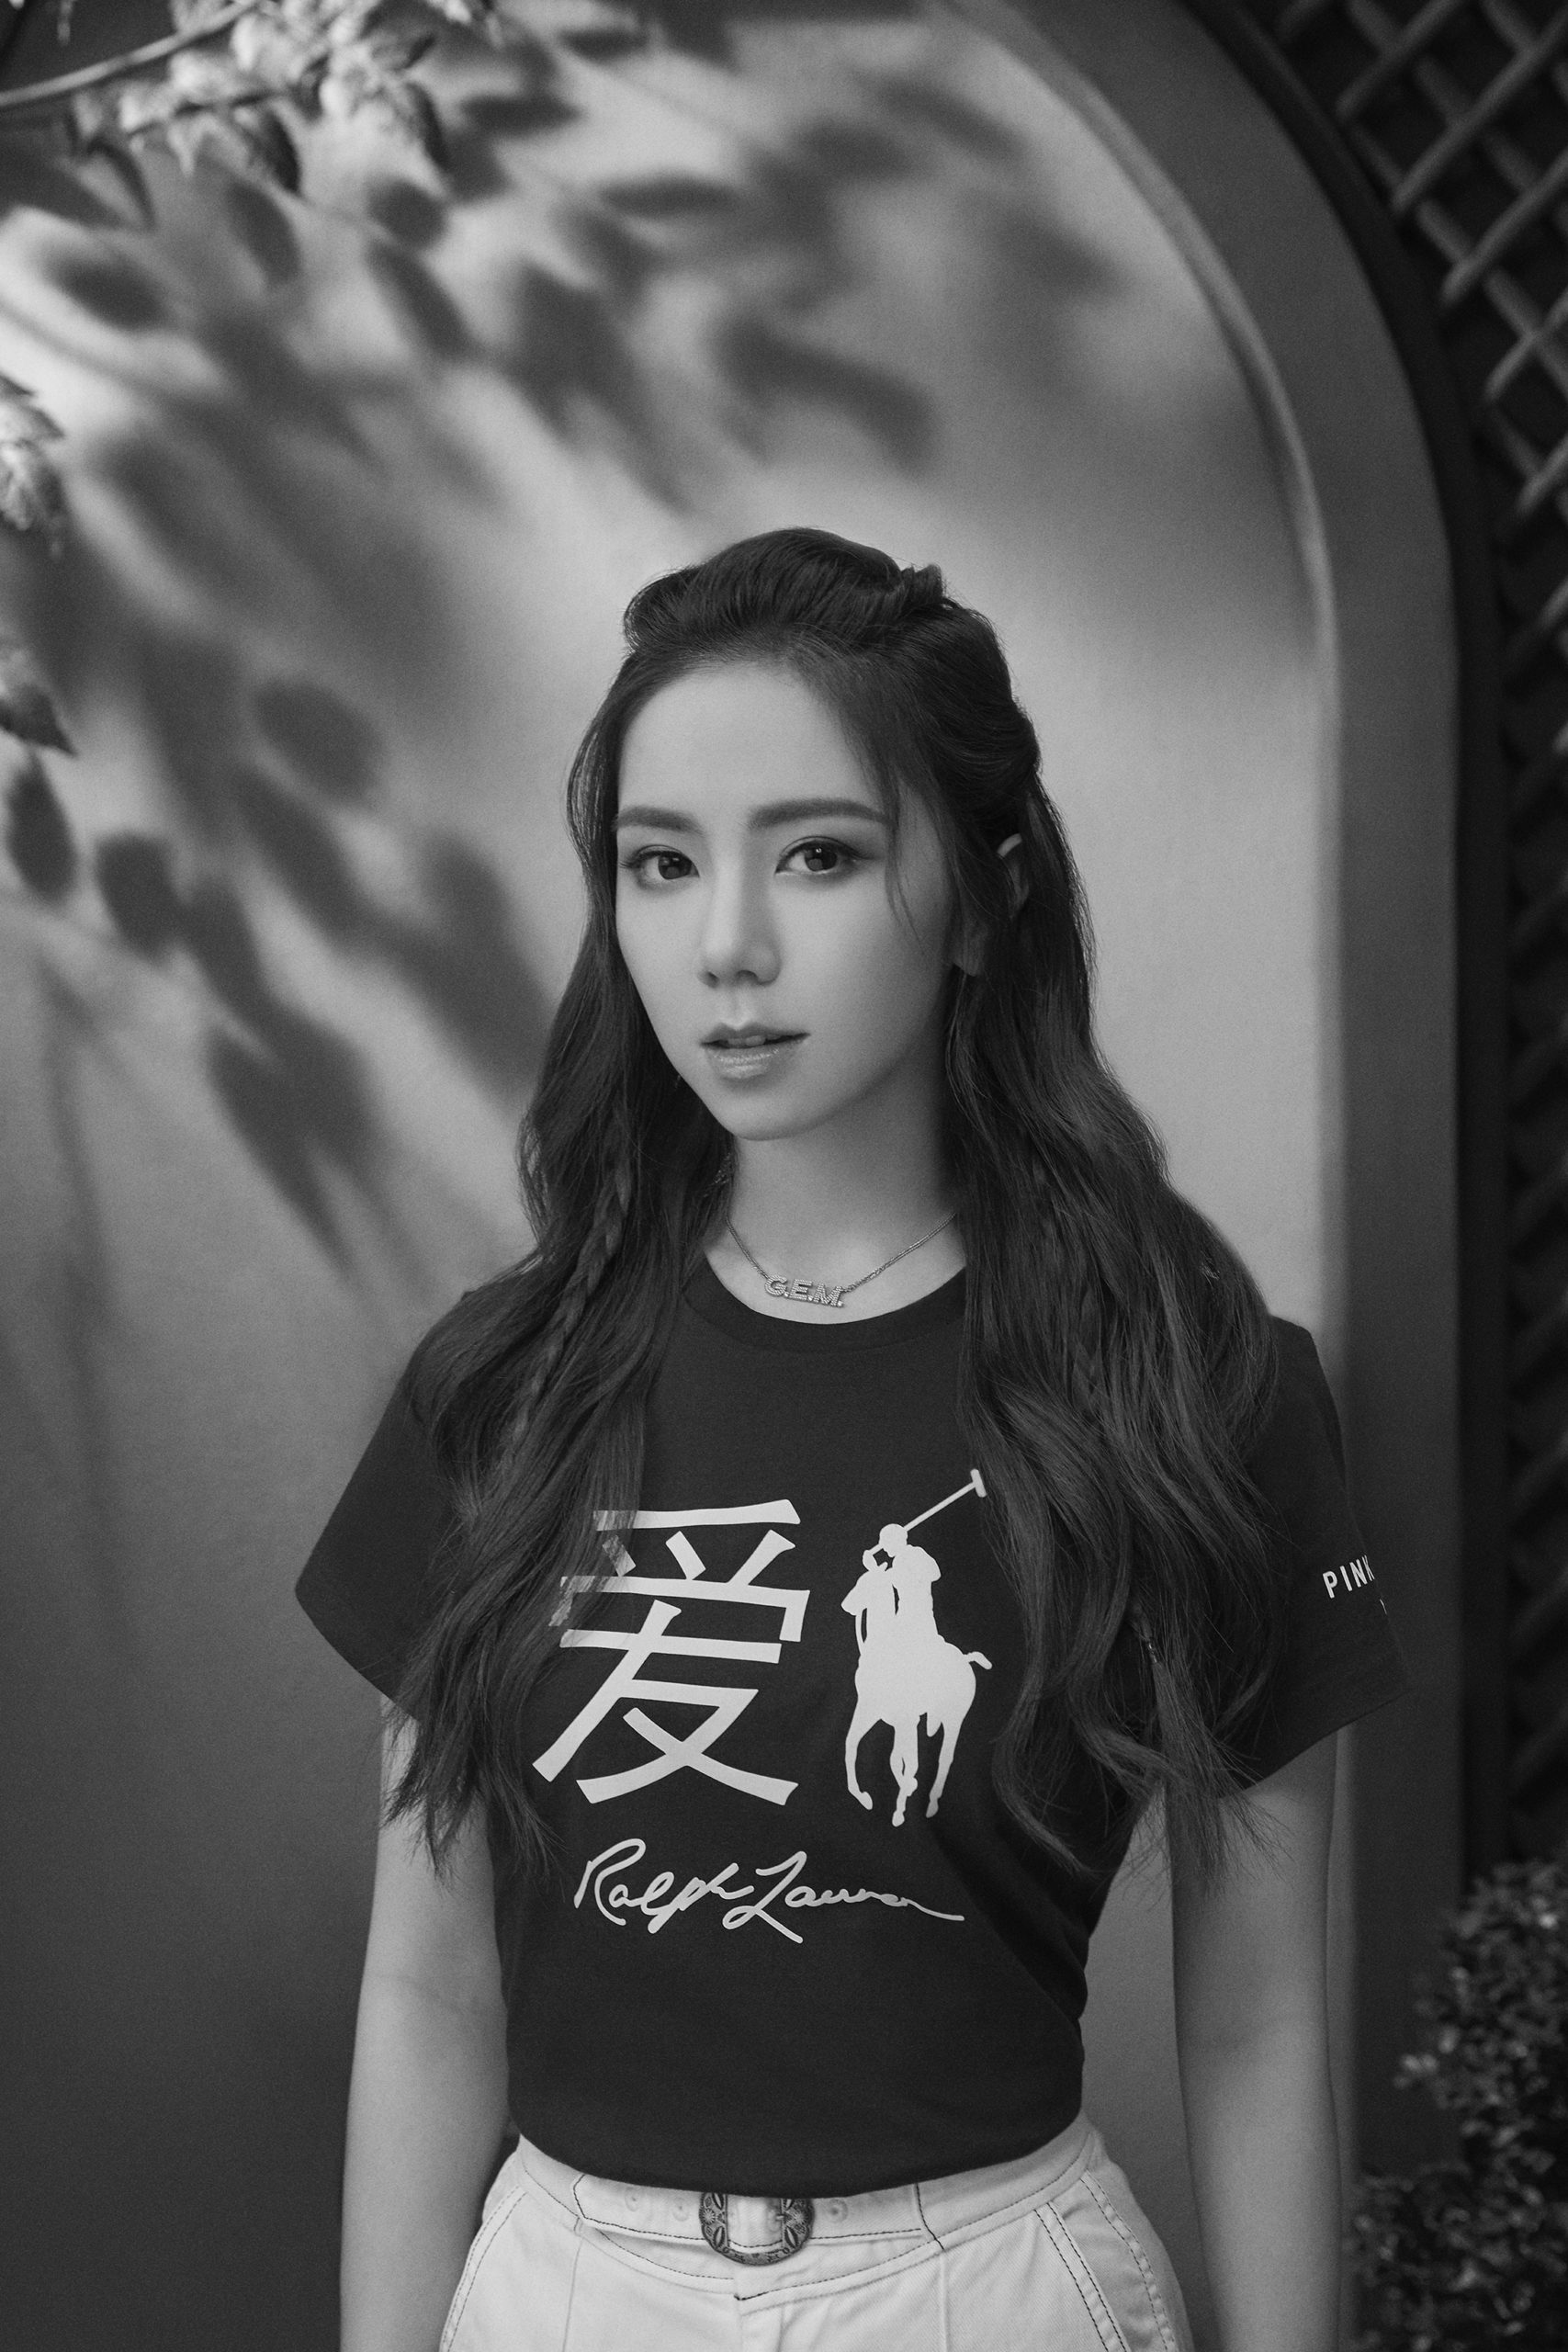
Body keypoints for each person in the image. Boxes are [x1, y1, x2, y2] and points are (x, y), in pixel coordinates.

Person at [297, 527, 1410, 2352]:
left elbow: (1258, 2020)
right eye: (661, 864)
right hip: (566, 2287)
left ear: (978, 900)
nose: (726, 946)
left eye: (817, 853)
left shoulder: (1194, 1388)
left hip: (988, 2287)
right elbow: (430, 1994)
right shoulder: (504, 1385)